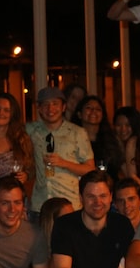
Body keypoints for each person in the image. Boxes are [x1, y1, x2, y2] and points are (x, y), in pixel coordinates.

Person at [26, 87, 95, 216]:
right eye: (45, 104)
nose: (50, 109)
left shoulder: (77, 133)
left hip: (69, 204)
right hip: (41, 204)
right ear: (39, 108)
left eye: (55, 104)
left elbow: (90, 169)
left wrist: (64, 163)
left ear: (63, 107)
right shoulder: (31, 130)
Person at [0, 93, 33, 210]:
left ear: (12, 114)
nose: (0, 113)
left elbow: (32, 168)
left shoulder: (21, 139)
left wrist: (26, 175)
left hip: (15, 204)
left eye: (6, 110)